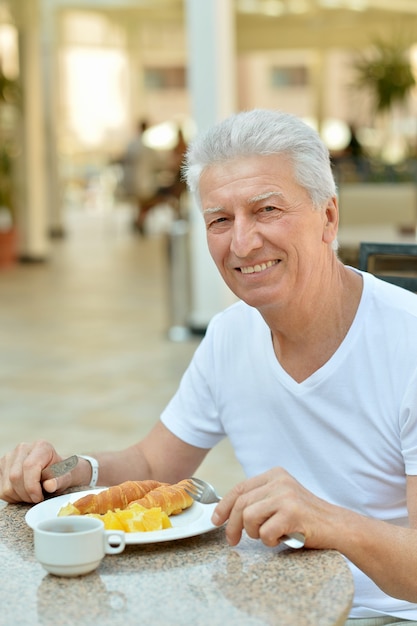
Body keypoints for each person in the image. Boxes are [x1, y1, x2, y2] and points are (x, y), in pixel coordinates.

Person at [1, 109, 417, 625]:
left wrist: (328, 520)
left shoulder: (408, 343)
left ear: (328, 218)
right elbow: (154, 467)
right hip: (275, 604)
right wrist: (66, 472)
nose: (241, 243)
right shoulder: (229, 335)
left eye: (266, 209)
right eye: (220, 220)